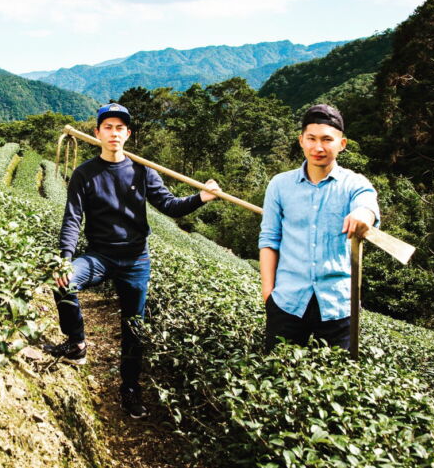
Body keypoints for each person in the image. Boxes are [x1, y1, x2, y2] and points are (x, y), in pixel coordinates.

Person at [45, 103, 220, 418]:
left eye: (120, 128)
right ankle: (77, 342)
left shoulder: (142, 170)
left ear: (128, 134)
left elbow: (169, 205)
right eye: (108, 127)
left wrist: (201, 198)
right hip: (100, 254)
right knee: (64, 280)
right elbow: (72, 219)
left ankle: (129, 390)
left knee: (133, 329)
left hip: (136, 259)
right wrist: (65, 258)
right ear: (97, 132)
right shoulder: (85, 174)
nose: (114, 133)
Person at [258, 104, 380, 351]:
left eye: (327, 139)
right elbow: (269, 239)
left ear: (342, 144)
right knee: (277, 375)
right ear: (301, 140)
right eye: (311, 139)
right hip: (287, 301)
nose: (318, 147)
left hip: (338, 305)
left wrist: (362, 213)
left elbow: (367, 203)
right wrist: (268, 293)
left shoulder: (354, 184)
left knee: (339, 380)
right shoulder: (280, 185)